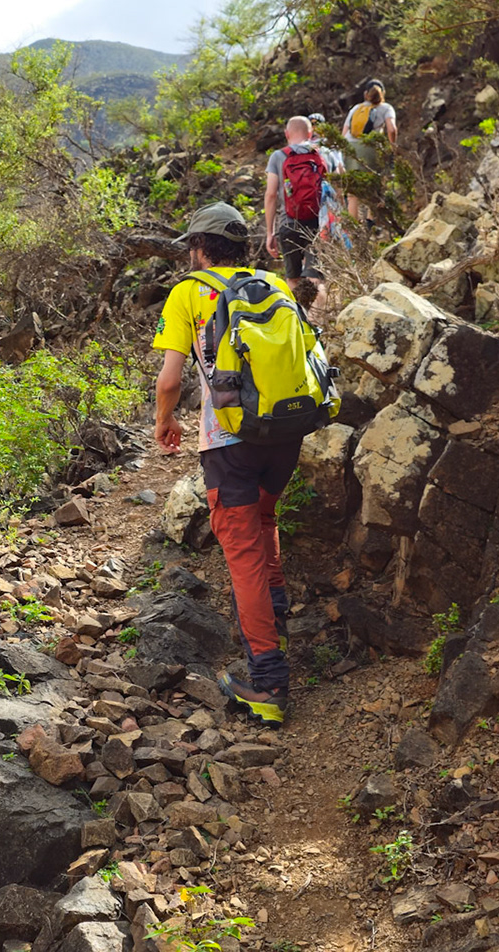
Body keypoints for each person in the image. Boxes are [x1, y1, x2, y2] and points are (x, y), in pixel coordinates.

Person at [152, 202, 301, 725]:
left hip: (229, 441)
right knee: (265, 520)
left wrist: (163, 420)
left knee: (242, 557)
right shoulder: (274, 284)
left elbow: (171, 378)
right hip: (285, 432)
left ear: (198, 248)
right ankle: (279, 621)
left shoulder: (189, 292)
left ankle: (267, 681)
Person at [263, 116, 337, 293]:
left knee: (293, 278)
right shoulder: (324, 154)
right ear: (310, 133)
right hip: (319, 224)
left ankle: (298, 317)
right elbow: (338, 189)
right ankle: (318, 318)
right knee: (316, 277)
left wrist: (270, 232)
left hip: (289, 223)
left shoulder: (278, 156)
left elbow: (271, 195)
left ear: (287, 134)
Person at [342, 79, 399, 221]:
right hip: (370, 149)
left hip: (350, 148)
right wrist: (392, 147)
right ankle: (370, 227)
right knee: (373, 190)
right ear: (383, 93)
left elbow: (344, 134)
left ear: (365, 94)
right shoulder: (386, 108)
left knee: (352, 194)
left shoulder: (355, 108)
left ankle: (354, 233)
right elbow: (392, 129)